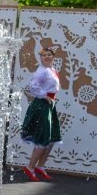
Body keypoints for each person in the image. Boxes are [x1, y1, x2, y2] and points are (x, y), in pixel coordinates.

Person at [20, 47, 62, 181]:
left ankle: (41, 166)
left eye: (49, 55)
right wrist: (45, 96)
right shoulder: (42, 71)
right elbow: (33, 86)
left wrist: (49, 98)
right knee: (43, 137)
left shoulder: (51, 70)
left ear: (53, 57)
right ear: (41, 58)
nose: (47, 57)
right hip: (42, 106)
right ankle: (30, 167)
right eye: (44, 55)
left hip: (49, 105)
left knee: (51, 139)